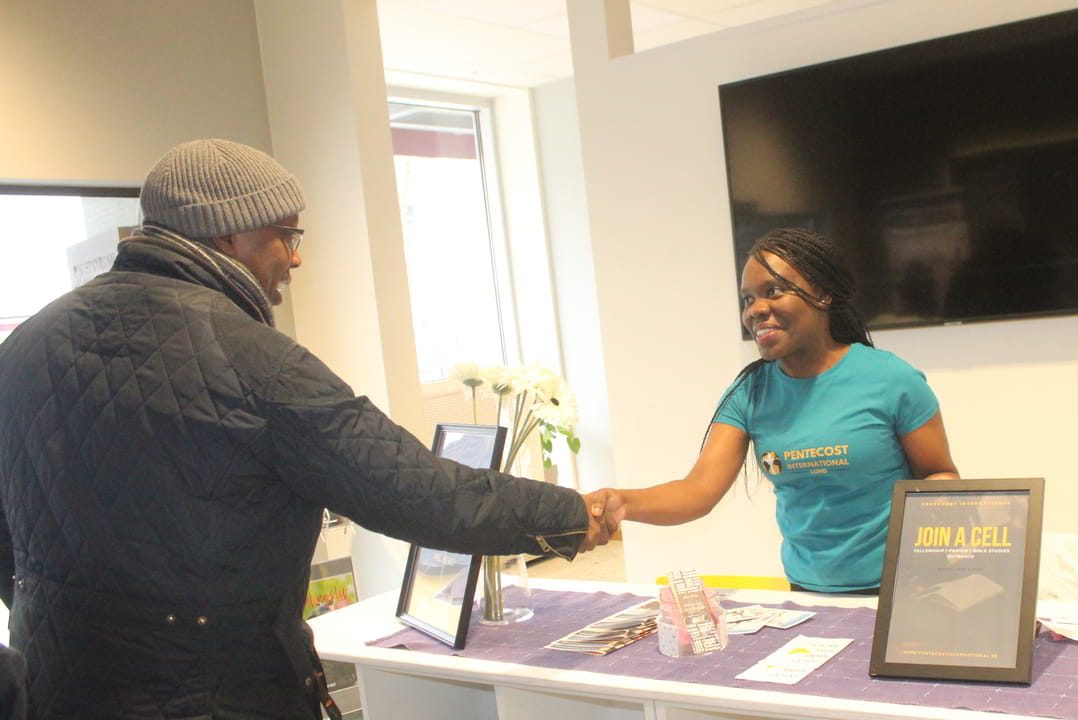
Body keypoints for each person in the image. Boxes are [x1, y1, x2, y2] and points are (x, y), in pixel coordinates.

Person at [0, 139, 609, 720]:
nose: (295, 257)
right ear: (228, 233)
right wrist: (575, 513)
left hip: (55, 688)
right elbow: (426, 496)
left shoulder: (24, 346)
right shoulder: (255, 361)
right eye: (284, 235)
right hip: (220, 695)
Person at [594, 227, 959, 594]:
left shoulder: (891, 379)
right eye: (748, 299)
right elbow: (697, 491)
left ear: (823, 294)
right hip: (807, 593)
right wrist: (621, 501)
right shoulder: (749, 392)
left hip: (902, 590)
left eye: (773, 291)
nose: (756, 310)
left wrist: (936, 553)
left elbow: (939, 473)